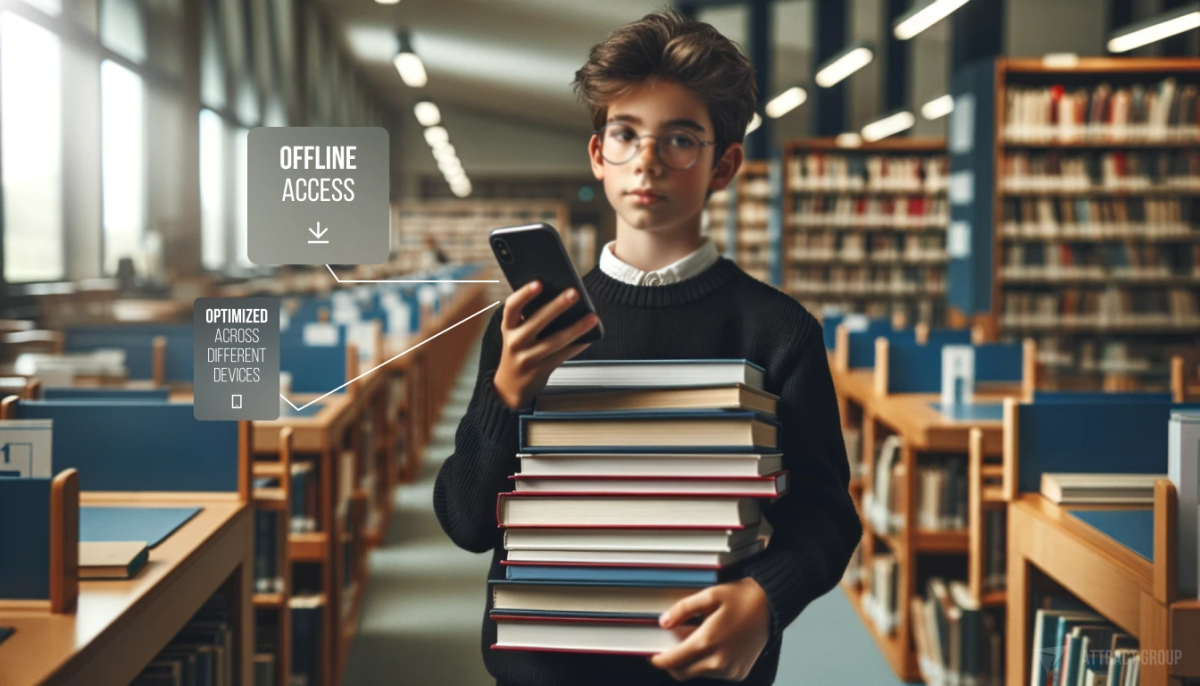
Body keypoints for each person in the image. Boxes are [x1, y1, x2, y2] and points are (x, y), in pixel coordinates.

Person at [434, 10, 861, 685]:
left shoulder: (777, 331)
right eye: (626, 135)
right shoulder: (527, 322)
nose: (649, 160)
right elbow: (466, 522)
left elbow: (827, 518)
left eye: (681, 139)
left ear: (723, 165)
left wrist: (764, 599)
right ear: (598, 155)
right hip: (543, 667)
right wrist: (503, 398)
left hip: (701, 665)